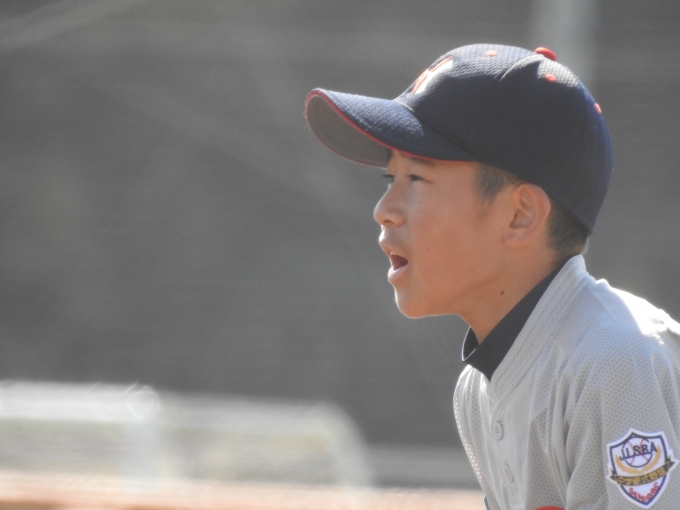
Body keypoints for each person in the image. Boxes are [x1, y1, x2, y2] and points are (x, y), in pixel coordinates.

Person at [304, 43, 680, 509]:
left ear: (520, 215)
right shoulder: (479, 388)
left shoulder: (616, 360)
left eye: (417, 179)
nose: (385, 210)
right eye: (390, 179)